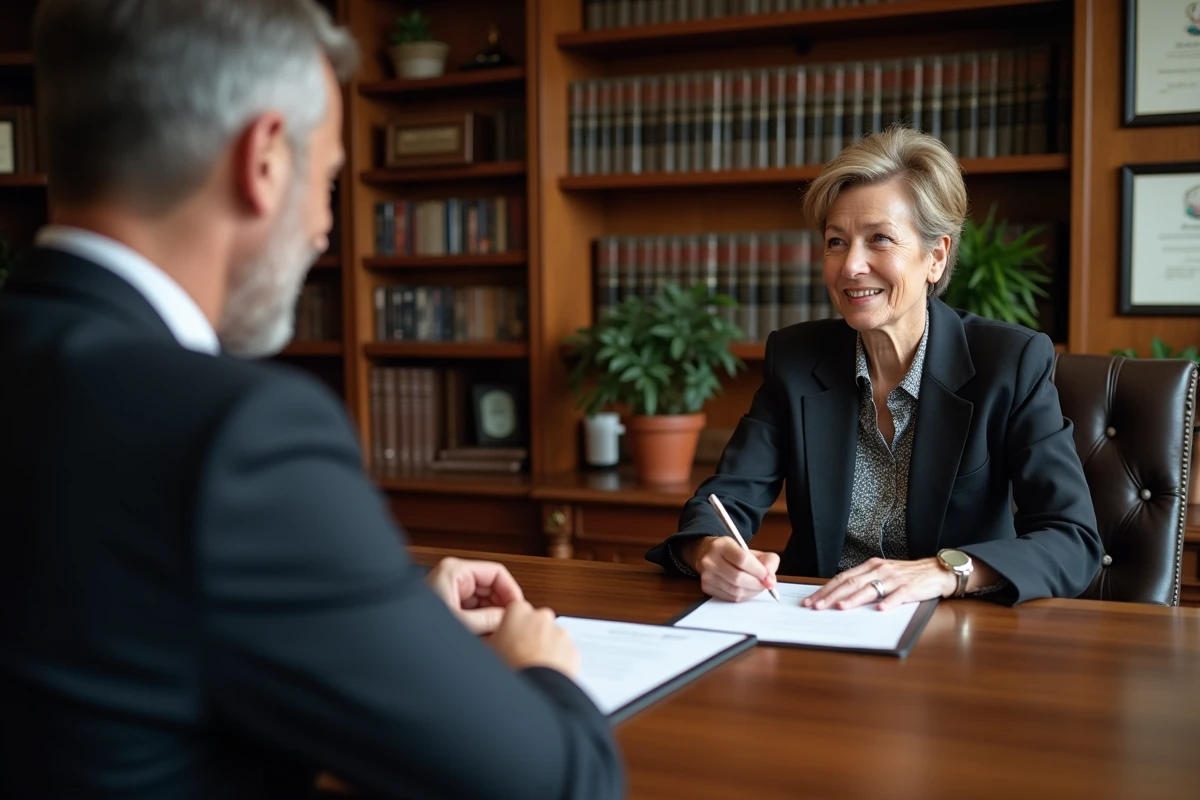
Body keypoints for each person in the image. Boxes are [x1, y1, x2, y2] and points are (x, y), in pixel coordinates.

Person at [0, 2, 623, 798]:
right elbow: (562, 785)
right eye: (327, 179)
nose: (325, 227)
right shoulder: (240, 438)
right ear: (263, 160)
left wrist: (389, 627)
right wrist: (540, 671)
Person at [647, 126, 1103, 610]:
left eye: (880, 239)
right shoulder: (798, 359)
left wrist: (943, 571)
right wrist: (711, 552)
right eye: (836, 242)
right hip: (818, 622)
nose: (850, 266)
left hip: (957, 635)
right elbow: (724, 501)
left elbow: (1072, 539)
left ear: (936, 256)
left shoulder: (1009, 363)